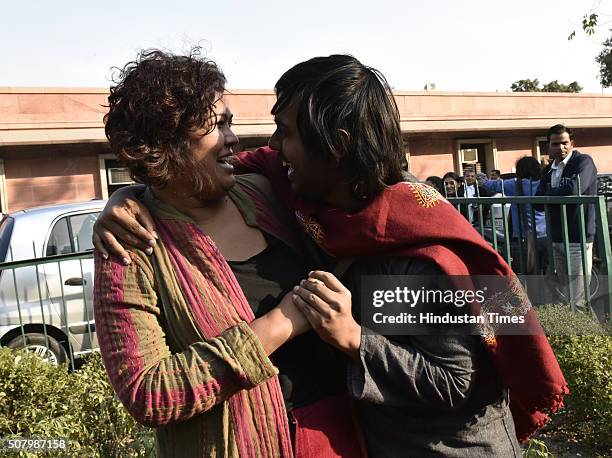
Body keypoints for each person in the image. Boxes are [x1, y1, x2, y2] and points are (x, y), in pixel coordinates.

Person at [95, 54, 568, 457]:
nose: (269, 145)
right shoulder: (309, 213)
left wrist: (354, 339)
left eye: (285, 133)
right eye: (218, 126)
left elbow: (454, 381)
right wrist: (127, 198)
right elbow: (149, 391)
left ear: (335, 147)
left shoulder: (408, 251)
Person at [94, 49, 360, 458]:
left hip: (339, 439)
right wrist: (278, 324)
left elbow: (367, 180)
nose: (233, 138)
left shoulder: (268, 192)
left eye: (230, 122)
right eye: (218, 125)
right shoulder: (132, 249)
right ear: (167, 143)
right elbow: (147, 392)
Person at [536, 124, 598, 303]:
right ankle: (572, 328)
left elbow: (574, 188)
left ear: (572, 143)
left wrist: (550, 194)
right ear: (548, 145)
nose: (560, 148)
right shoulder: (549, 169)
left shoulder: (583, 162)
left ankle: (584, 330)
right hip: (556, 237)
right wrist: (554, 195)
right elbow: (538, 202)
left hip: (578, 237)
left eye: (564, 143)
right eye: (555, 144)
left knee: (578, 296)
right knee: (564, 295)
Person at [483, 156, 547, 274]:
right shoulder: (545, 183)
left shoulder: (514, 185)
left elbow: (491, 185)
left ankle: (532, 292)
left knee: (528, 273)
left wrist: (482, 178)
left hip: (524, 236)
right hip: (547, 234)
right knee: (547, 271)